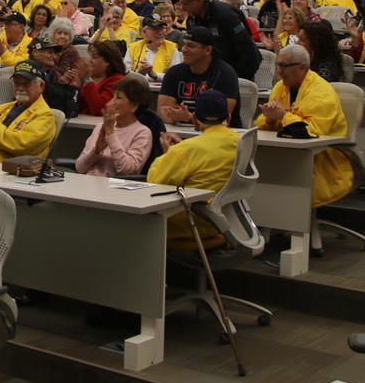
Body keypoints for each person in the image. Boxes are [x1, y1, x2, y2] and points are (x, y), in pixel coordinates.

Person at [254, 44, 353, 208]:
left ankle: (294, 228)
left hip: (322, 162)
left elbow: (314, 133)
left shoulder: (321, 92)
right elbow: (263, 127)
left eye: (284, 66)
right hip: (287, 155)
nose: (278, 71)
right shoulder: (280, 87)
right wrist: (269, 120)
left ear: (301, 67)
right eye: (278, 65)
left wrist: (284, 116)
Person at [147, 89, 239, 240]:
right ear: (228, 118)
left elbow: (156, 183)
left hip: (194, 222)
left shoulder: (185, 150)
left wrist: (167, 155)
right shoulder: (242, 143)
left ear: (195, 120)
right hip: (229, 223)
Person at [0, 61, 56, 163]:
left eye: (27, 84)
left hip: (7, 172)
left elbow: (21, 145)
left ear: (41, 86)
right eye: (17, 83)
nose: (20, 88)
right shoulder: (5, 108)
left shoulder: (45, 116)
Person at [157, 27, 241, 128]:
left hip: (220, 135)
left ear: (208, 50)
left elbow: (220, 118)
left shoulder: (225, 74)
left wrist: (189, 117)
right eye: (184, 44)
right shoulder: (174, 72)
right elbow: (163, 111)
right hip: (182, 132)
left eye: (191, 46)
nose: (184, 50)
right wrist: (176, 116)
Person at [176, 0, 261, 80]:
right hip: (213, 72)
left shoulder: (226, 15)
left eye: (184, 4)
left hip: (239, 71)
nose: (183, 8)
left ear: (198, 0)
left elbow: (246, 47)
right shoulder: (193, 19)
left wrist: (238, 77)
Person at [76, 76, 153, 177]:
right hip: (89, 184)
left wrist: (111, 133)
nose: (110, 102)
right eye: (113, 96)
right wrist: (96, 150)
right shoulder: (101, 127)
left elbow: (127, 170)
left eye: (118, 97)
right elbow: (79, 168)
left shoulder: (142, 133)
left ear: (134, 105)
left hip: (116, 189)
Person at [78, 40, 129, 115]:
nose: (90, 61)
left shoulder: (117, 80)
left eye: (94, 57)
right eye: (91, 57)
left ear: (108, 61)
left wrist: (87, 80)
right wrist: (75, 86)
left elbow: (100, 110)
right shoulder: (86, 75)